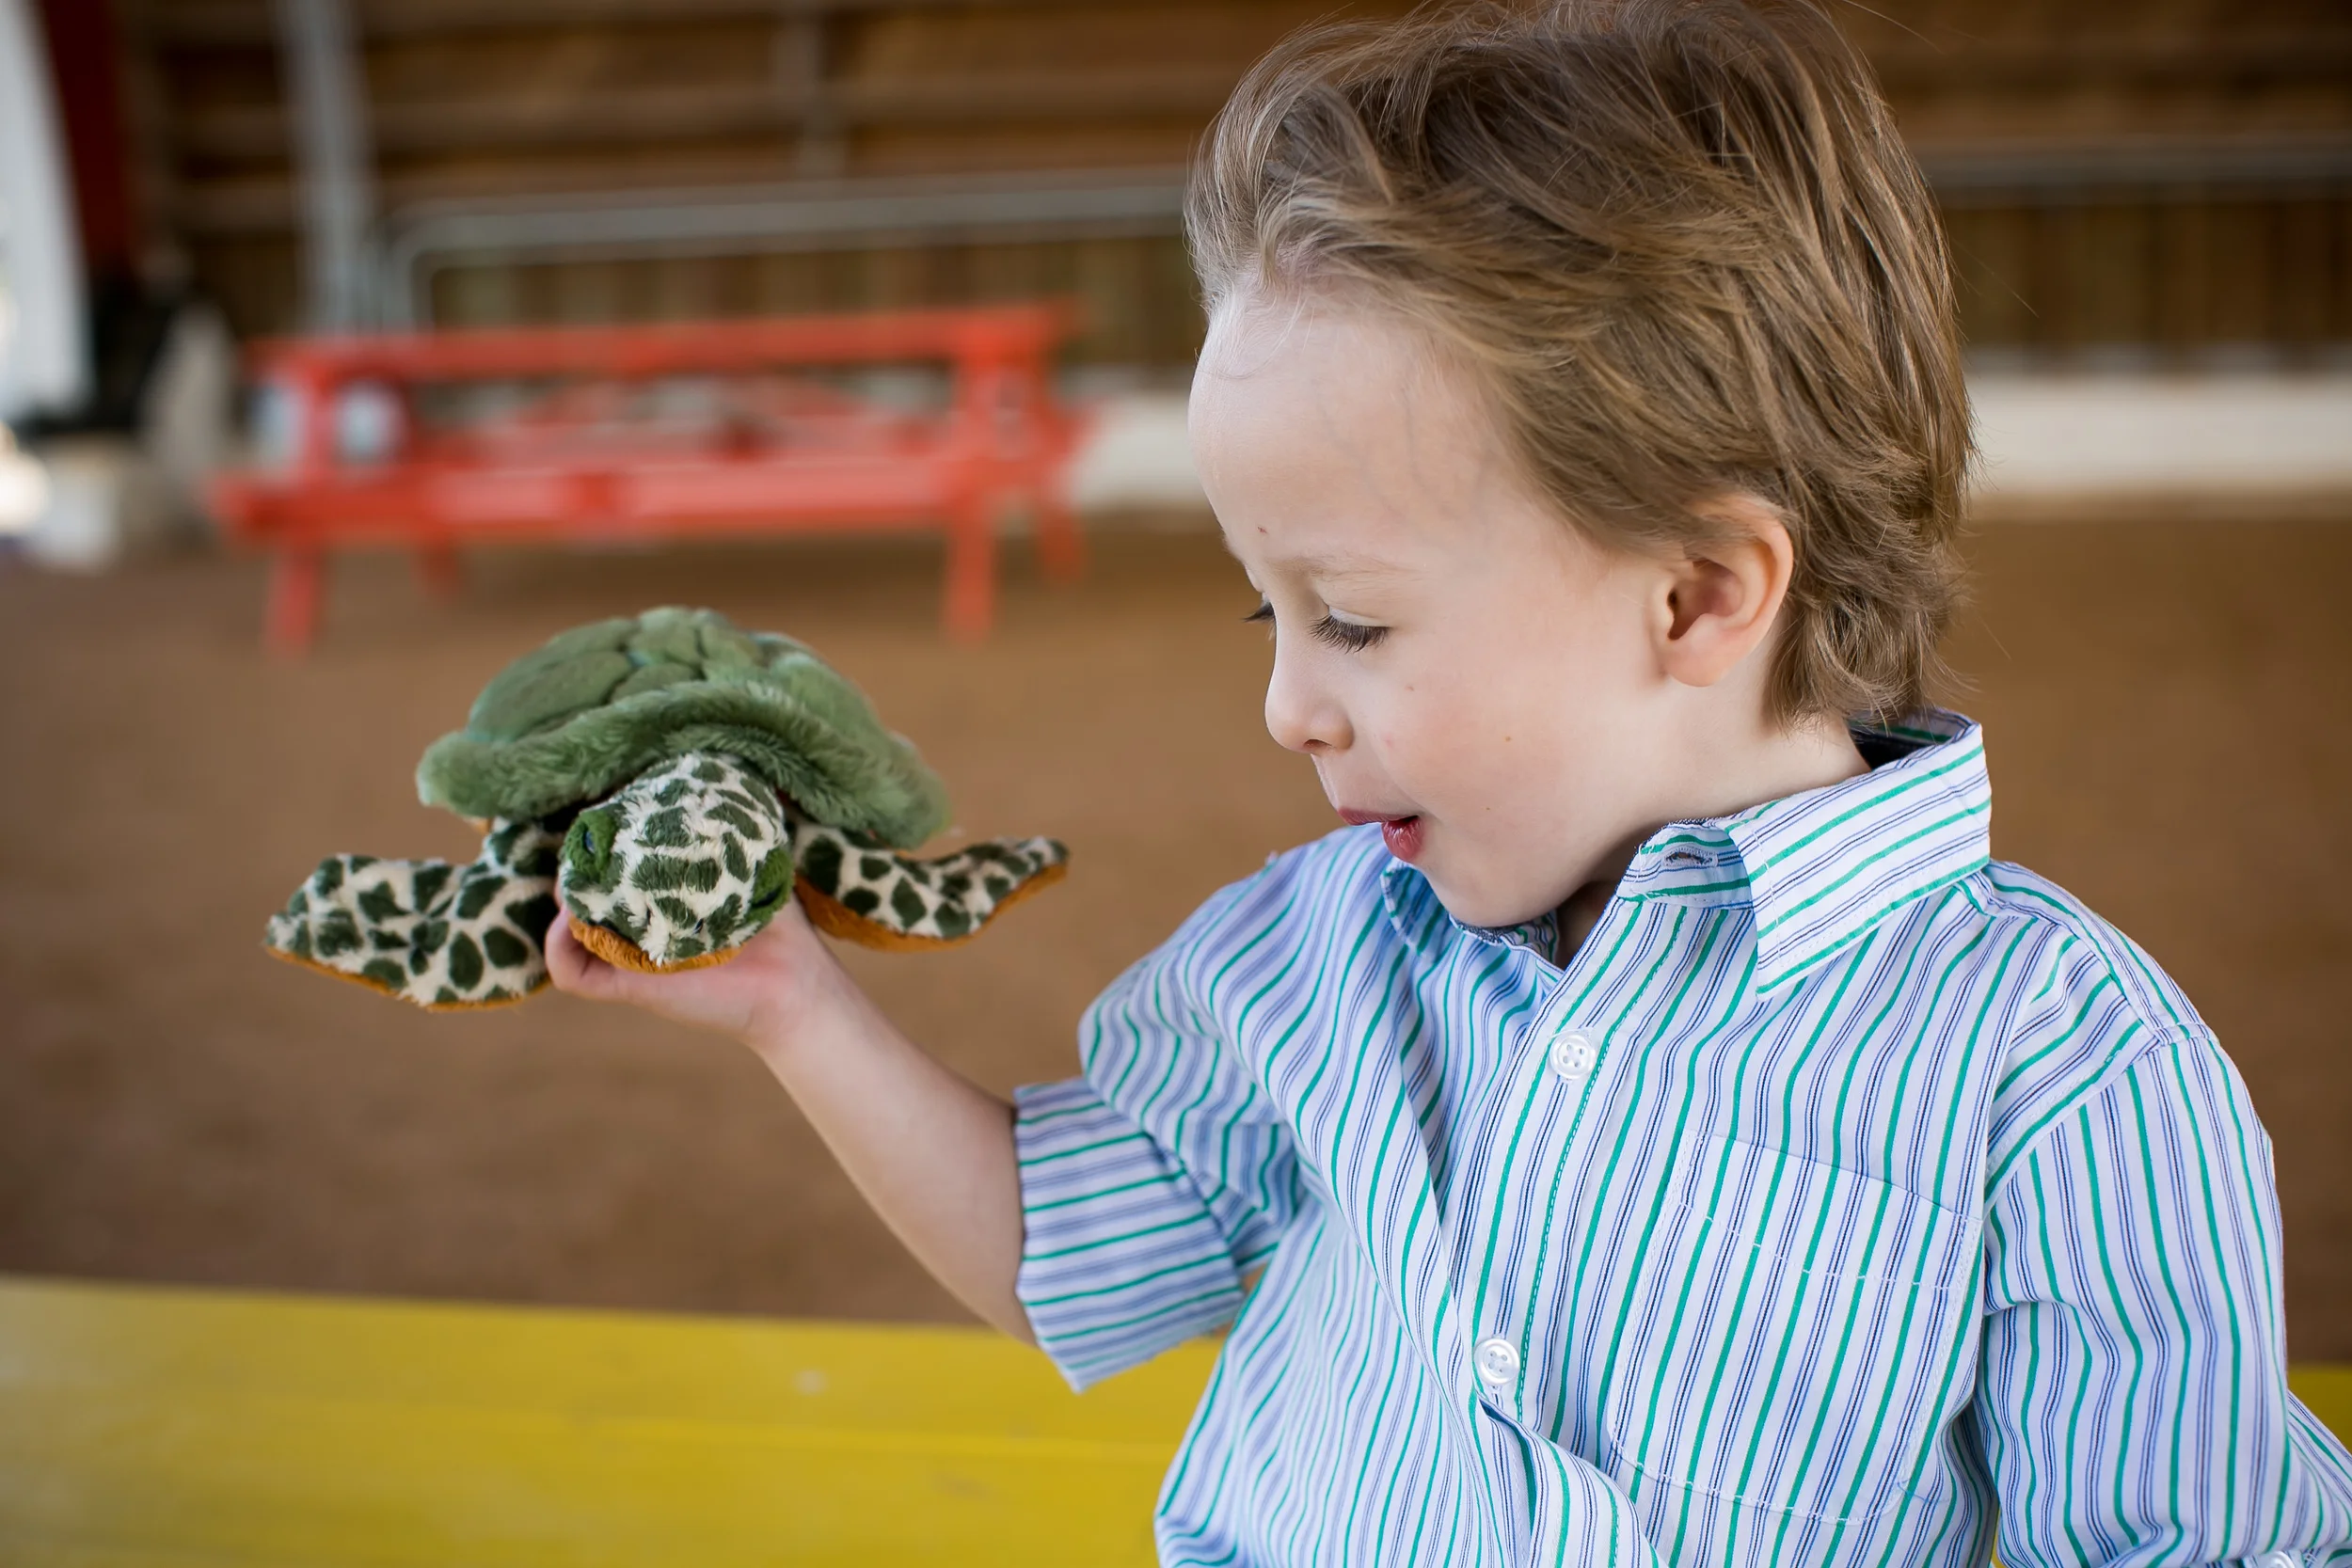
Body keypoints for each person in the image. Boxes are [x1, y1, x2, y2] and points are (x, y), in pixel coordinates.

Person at [545, 2, 2352, 1562]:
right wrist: (794, 1002)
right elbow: (1067, 1246)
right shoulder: (1322, 945)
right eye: (1268, 607)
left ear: (1699, 592)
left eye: (1351, 619)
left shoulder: (2063, 1075)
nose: (1283, 707)